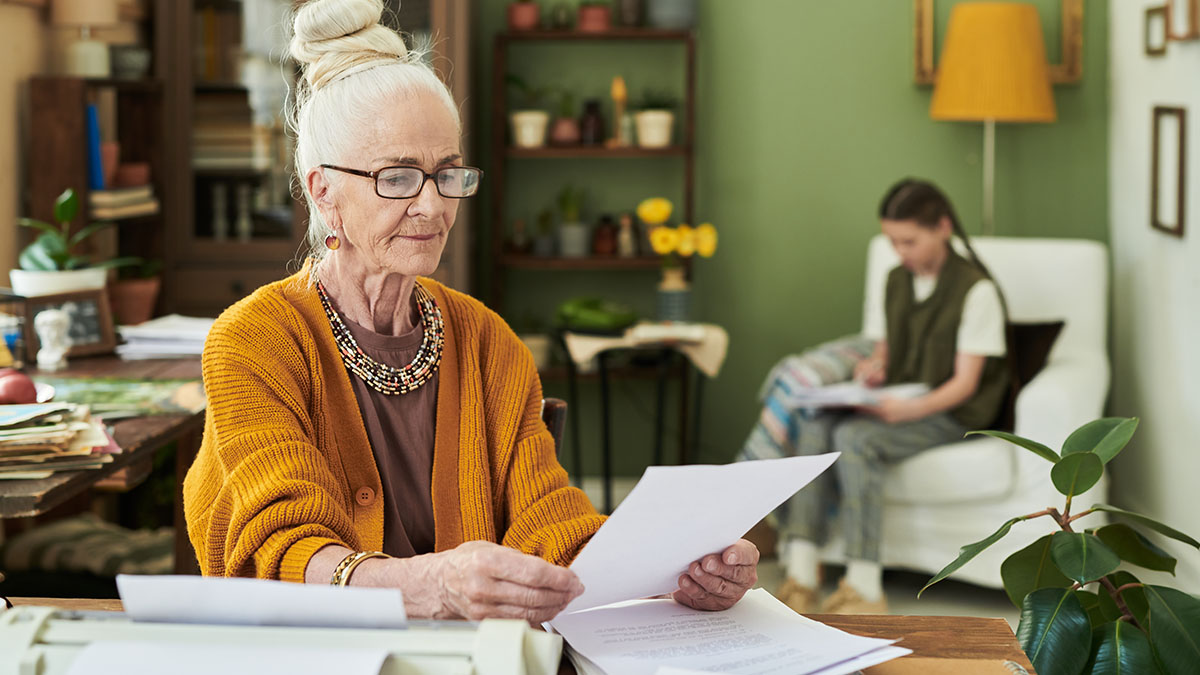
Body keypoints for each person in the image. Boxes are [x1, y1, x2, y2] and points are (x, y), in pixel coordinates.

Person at [183, 0, 757, 623]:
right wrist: (426, 585)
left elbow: (549, 520)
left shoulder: (487, 339)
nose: (433, 206)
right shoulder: (254, 339)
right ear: (324, 191)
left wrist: (674, 571)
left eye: (448, 174)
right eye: (398, 178)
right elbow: (281, 548)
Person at [758, 179, 1009, 615]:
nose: (901, 252)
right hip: (901, 399)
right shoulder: (896, 280)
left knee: (857, 439)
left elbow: (965, 385)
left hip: (953, 413)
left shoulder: (977, 290)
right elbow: (886, 354)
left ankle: (864, 585)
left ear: (943, 227)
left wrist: (907, 408)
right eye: (893, 241)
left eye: (909, 241)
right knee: (816, 423)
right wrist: (872, 372)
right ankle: (801, 572)